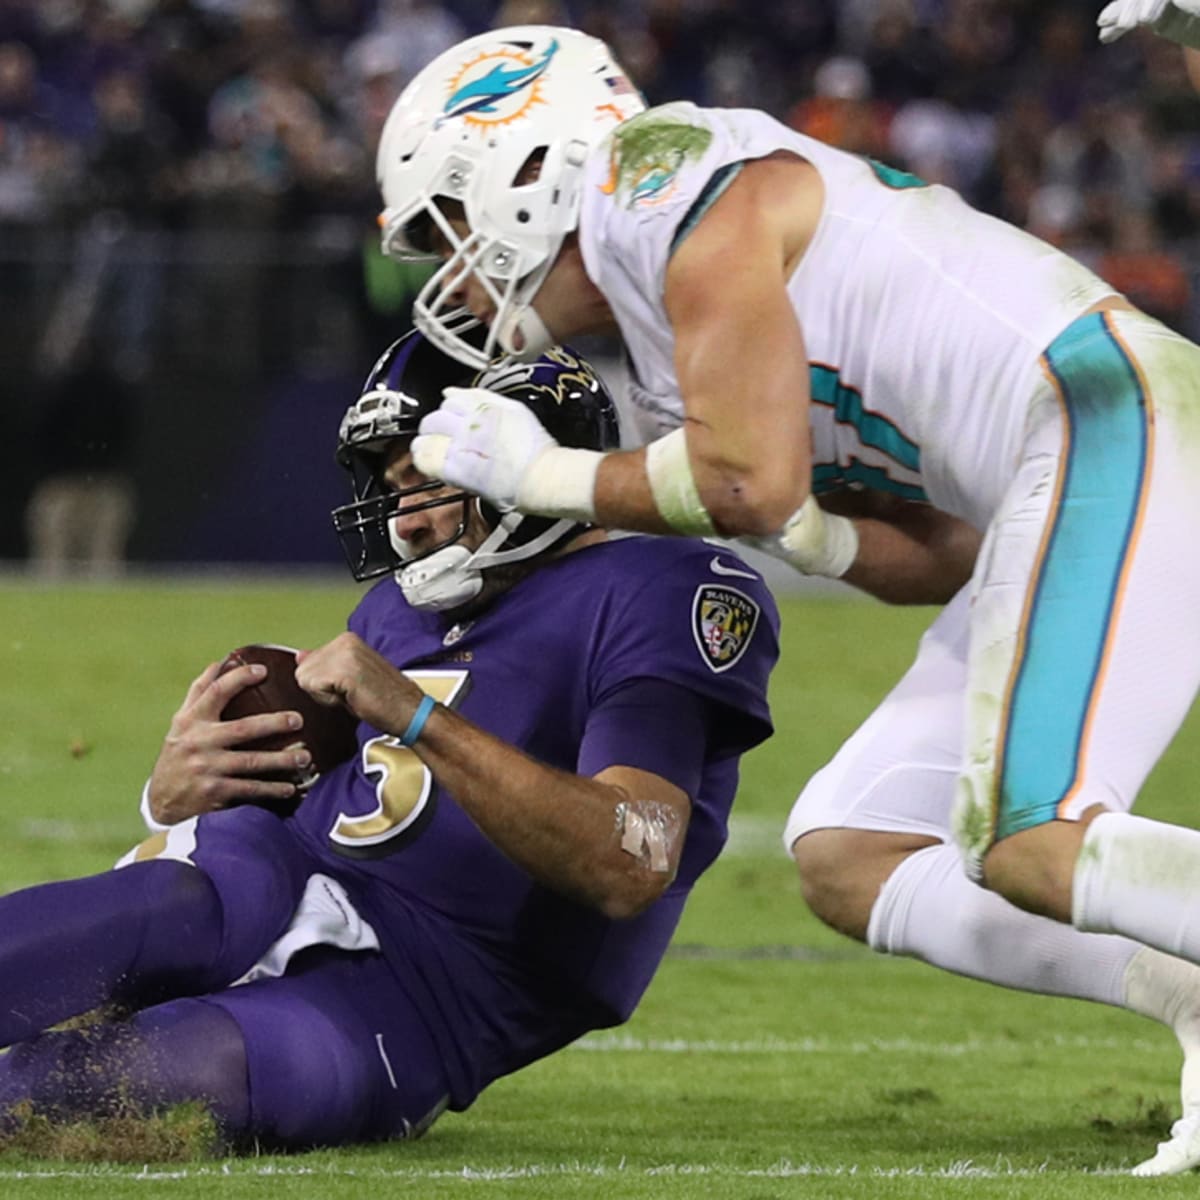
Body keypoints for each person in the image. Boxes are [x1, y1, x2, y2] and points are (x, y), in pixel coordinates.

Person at [372, 25, 1200, 1173]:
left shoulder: (650, 184)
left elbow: (744, 476)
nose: (451, 271)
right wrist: (809, 534)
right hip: (1049, 472)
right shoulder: (659, 344)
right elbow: (945, 555)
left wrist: (543, 476)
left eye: (448, 228)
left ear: (521, 175)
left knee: (1027, 834)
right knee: (851, 850)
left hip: (1108, 416)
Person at [0, 332, 778, 1152]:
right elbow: (332, 790)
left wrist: (413, 713)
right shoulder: (398, 612)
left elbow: (628, 862)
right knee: (174, 907)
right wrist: (176, 791)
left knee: (220, 1072)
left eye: (426, 482)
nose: (404, 522)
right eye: (392, 488)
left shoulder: (663, 590)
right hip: (276, 872)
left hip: (431, 996)